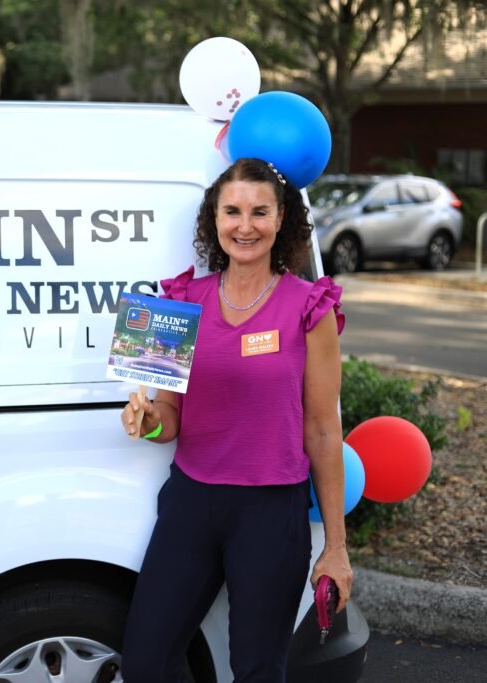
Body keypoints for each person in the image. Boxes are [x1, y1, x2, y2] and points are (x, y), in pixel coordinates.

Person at [119, 157, 353, 682]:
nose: (244, 226)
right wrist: (145, 420)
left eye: (259, 212)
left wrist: (336, 548)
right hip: (191, 504)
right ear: (214, 218)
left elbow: (321, 429)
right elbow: (169, 418)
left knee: (256, 671)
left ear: (280, 219)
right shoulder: (181, 302)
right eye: (232, 211)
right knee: (146, 663)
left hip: (271, 512)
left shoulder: (308, 307)